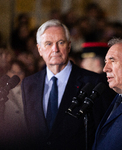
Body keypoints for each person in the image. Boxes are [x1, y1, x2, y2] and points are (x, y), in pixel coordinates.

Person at [21, 19, 115, 150]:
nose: (55, 49)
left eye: (60, 42)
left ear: (69, 46)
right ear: (39, 49)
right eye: (48, 44)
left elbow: (105, 133)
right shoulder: (29, 84)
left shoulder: (93, 82)